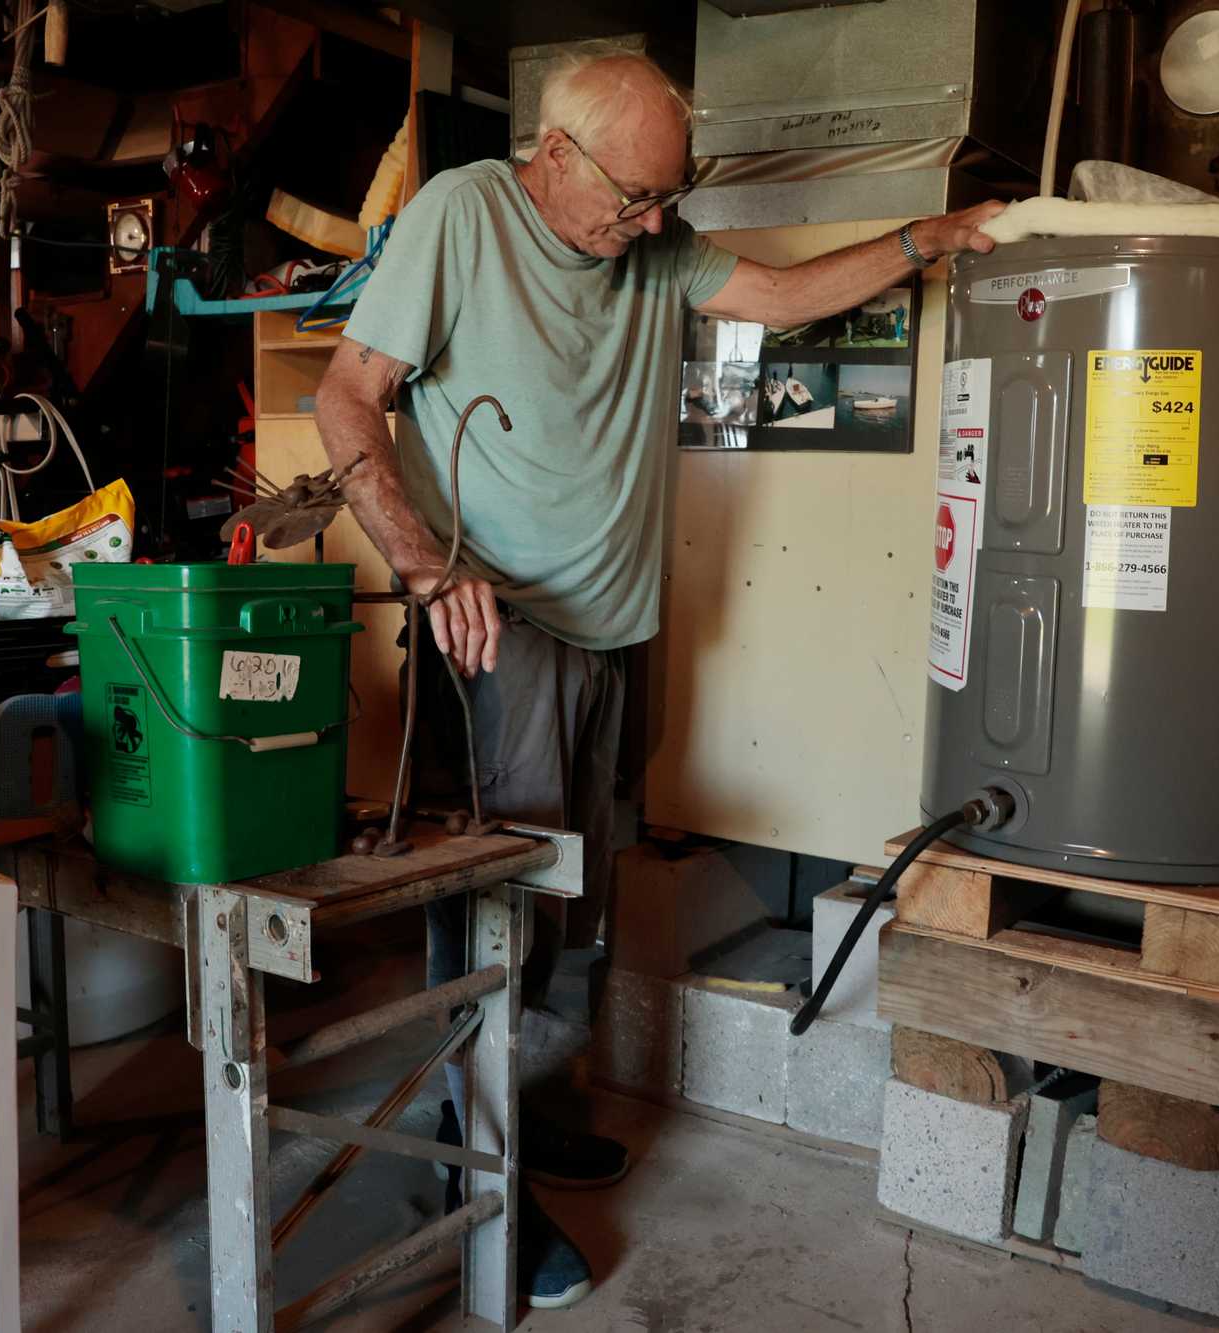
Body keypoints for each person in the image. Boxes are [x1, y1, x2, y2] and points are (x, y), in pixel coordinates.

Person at [314, 47, 1003, 1311]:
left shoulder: (647, 242)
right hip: (497, 625)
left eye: (666, 200)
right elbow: (347, 396)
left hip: (611, 630)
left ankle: (530, 1112)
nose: (651, 222)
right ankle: (486, 1191)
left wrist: (931, 234)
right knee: (498, 922)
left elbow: (784, 298)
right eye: (633, 195)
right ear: (556, 156)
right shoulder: (461, 217)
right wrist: (419, 565)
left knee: (580, 895)